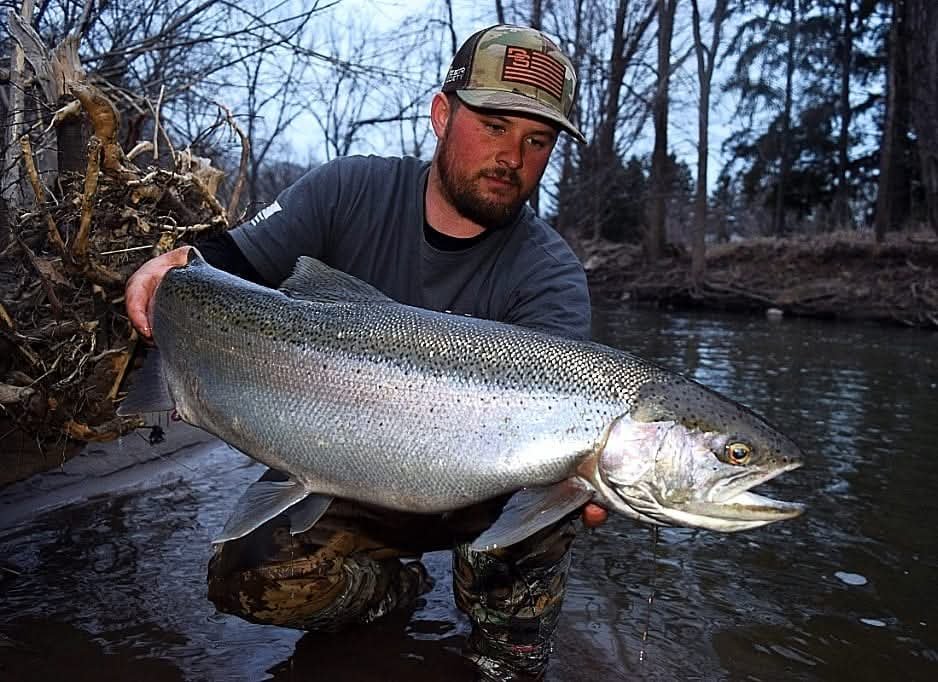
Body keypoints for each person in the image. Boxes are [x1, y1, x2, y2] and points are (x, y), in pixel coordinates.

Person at [125, 23, 606, 680]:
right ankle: (389, 596)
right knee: (246, 576)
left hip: (481, 496)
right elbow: (226, 265)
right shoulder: (348, 189)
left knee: (550, 522)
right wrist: (172, 269)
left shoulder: (550, 275)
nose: (512, 156)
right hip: (339, 471)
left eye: (537, 140)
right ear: (443, 115)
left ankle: (502, 654)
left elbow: (568, 429)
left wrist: (592, 478)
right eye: (495, 126)